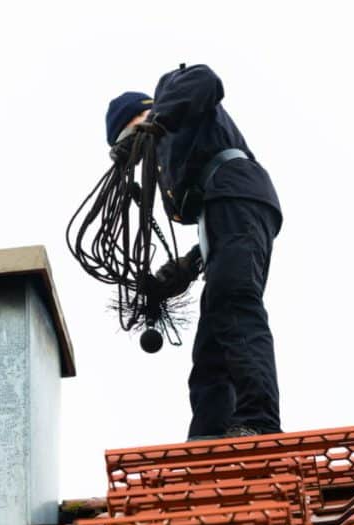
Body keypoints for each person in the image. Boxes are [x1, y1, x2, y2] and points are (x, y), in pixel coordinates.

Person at [105, 64, 283, 440]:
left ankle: (258, 422)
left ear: (141, 116)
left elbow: (207, 78)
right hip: (225, 214)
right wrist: (187, 266)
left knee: (235, 305)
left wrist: (158, 121)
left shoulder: (172, 95)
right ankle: (207, 440)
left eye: (130, 137)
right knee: (210, 347)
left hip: (237, 194)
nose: (139, 154)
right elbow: (217, 222)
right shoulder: (172, 166)